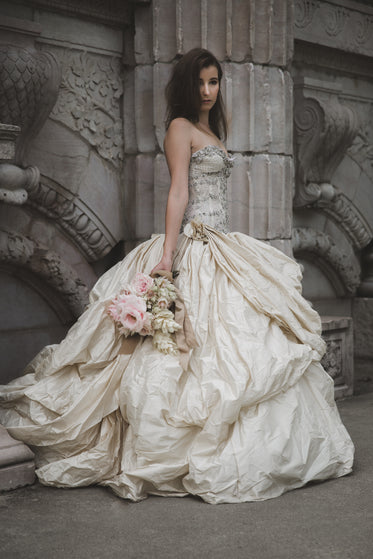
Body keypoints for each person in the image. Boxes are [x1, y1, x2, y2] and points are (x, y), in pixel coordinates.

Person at [0, 48, 354, 504]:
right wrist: (167, 258)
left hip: (223, 242)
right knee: (178, 349)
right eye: (202, 83)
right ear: (188, 85)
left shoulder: (210, 129)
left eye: (215, 82)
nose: (209, 92)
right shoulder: (179, 128)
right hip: (195, 241)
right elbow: (178, 192)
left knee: (247, 343)